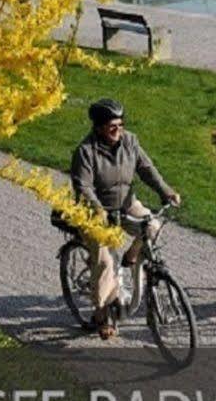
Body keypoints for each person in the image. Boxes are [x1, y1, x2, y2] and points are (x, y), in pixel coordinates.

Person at [69, 97, 181, 340]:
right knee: (105, 262)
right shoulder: (85, 152)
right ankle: (102, 313)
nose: (118, 130)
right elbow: (83, 187)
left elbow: (146, 169)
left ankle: (131, 257)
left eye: (120, 125)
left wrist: (166, 191)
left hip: (127, 205)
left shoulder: (130, 141)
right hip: (96, 214)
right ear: (98, 127)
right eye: (112, 126)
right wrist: (98, 210)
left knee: (152, 226)